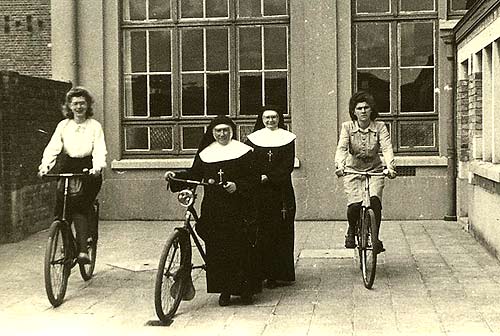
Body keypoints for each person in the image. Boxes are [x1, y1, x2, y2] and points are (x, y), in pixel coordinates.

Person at [167, 115, 261, 306]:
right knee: (218, 248)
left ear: (232, 131)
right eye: (218, 131)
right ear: (212, 133)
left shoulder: (244, 151)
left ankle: (245, 291)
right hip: (214, 208)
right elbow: (194, 174)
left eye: (226, 130)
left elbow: (254, 178)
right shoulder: (206, 153)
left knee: (241, 248)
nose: (222, 134)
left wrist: (238, 186)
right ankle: (224, 290)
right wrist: (174, 176)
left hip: (239, 207)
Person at [38, 86, 107, 264]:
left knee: (79, 204)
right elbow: (53, 148)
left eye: (82, 103)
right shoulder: (63, 126)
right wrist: (45, 166)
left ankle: (83, 249)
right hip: (69, 165)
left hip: (88, 168)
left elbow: (100, 149)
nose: (79, 107)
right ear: (69, 106)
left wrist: (97, 167)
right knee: (61, 208)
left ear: (88, 105)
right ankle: (68, 246)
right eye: (75, 104)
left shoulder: (94, 126)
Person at [334, 91, 396, 254]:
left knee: (375, 202)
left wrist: (390, 166)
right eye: (359, 108)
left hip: (375, 170)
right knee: (354, 205)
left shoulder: (380, 126)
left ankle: (375, 237)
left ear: (371, 110)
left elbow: (387, 147)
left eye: (366, 108)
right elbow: (342, 148)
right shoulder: (347, 127)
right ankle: (351, 230)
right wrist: (339, 165)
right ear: (354, 111)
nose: (363, 111)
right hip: (353, 170)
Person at [246, 106, 296, 288]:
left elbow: (287, 165)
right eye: (267, 118)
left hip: (281, 191)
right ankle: (260, 273)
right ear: (261, 119)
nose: (270, 121)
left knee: (279, 232)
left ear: (279, 119)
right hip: (259, 192)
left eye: (274, 117)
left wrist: (269, 176)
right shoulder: (253, 139)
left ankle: (277, 274)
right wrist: (257, 177)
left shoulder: (288, 138)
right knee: (260, 232)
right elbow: (249, 163)